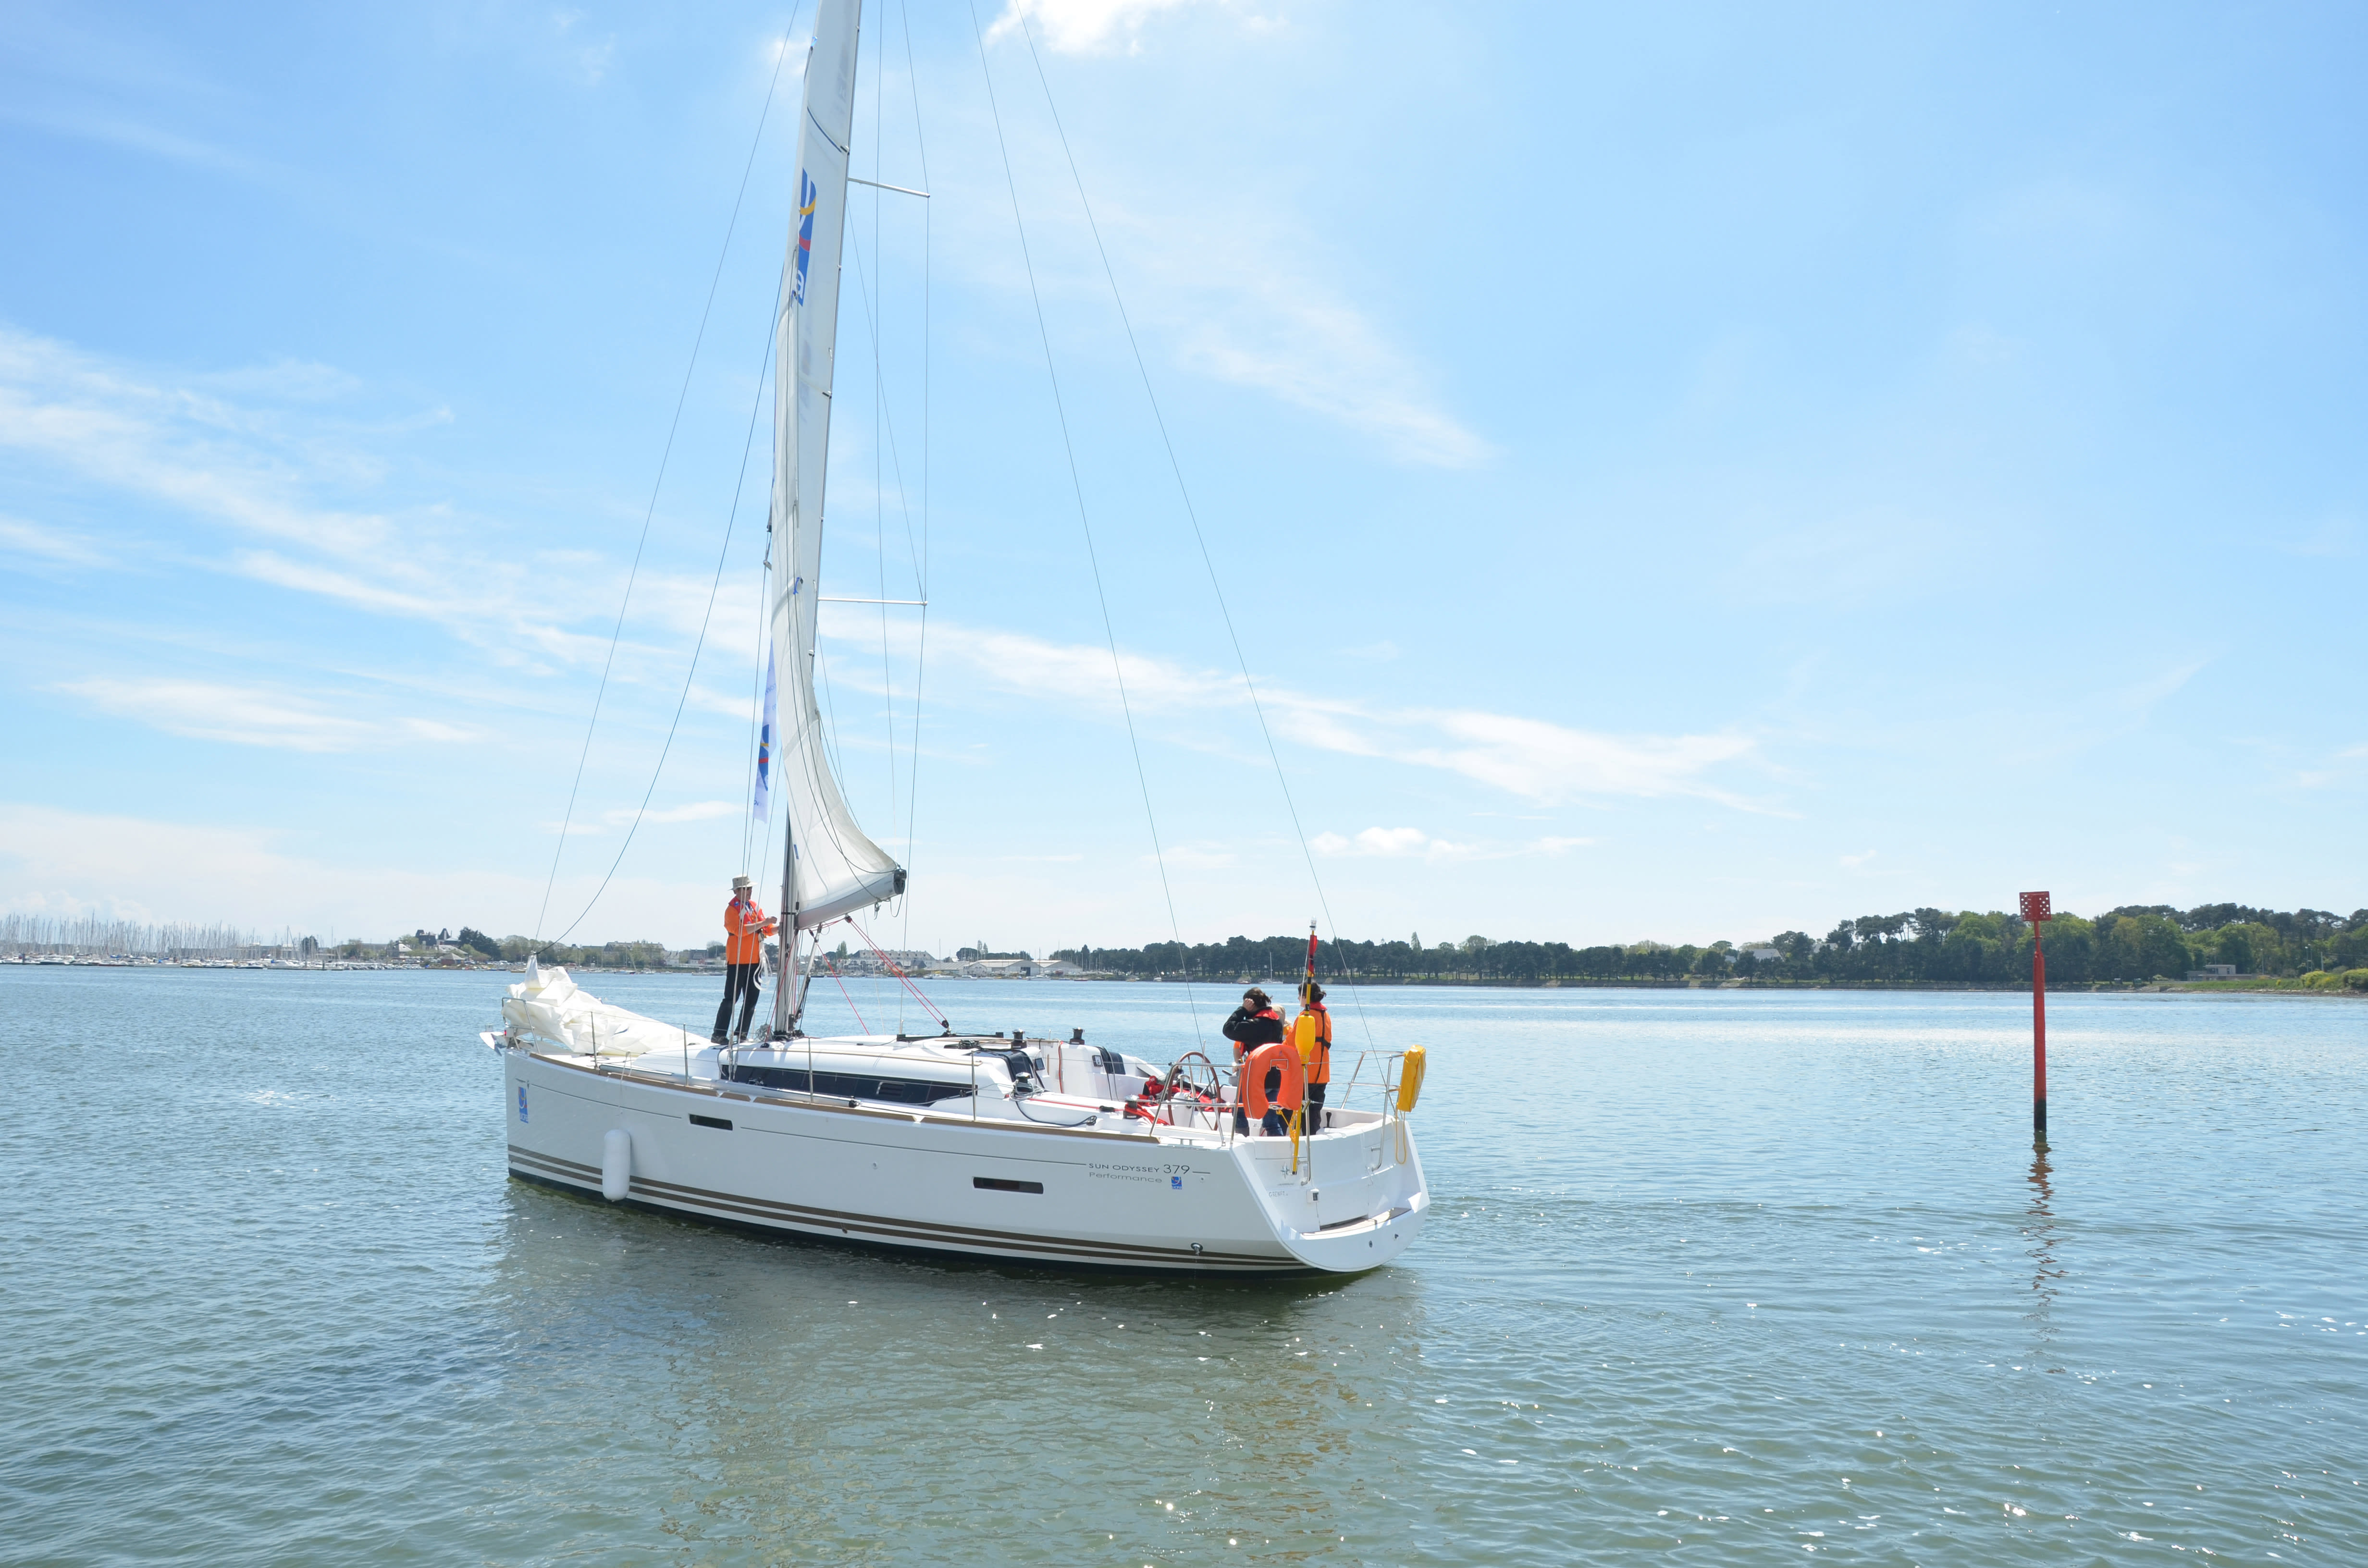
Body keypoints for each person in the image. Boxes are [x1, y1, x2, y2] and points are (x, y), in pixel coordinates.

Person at [713, 875, 777, 1044]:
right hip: (737, 961)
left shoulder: (754, 907)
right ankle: (718, 1034)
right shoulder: (731, 910)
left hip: (755, 961)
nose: (750, 891)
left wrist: (780, 927)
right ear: (736, 891)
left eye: (750, 889)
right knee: (731, 999)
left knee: (751, 1000)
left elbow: (768, 929)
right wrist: (763, 923)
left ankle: (741, 1034)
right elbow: (739, 930)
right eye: (746, 889)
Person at [1221, 988, 1284, 1134]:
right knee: (1271, 1122)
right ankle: (1277, 1148)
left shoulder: (1257, 1024)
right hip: (1275, 1077)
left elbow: (1228, 1029)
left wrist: (1242, 1010)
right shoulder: (1276, 1022)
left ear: (1251, 1004)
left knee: (1239, 1112)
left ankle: (1243, 1144)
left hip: (1259, 1079)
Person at [1292, 980, 1332, 1136]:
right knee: (1314, 1111)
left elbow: (1291, 1042)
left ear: (1305, 997)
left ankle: (1298, 1140)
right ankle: (1312, 1138)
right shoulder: (1326, 1015)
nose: (1298, 999)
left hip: (1306, 1073)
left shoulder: (1305, 1017)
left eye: (1299, 996)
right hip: (1323, 1073)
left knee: (1299, 1109)